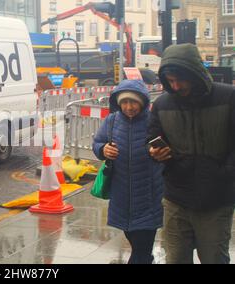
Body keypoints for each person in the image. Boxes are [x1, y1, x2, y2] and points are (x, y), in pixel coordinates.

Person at [148, 43, 235, 264]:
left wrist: (225, 174)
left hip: (216, 199)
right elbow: (151, 138)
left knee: (214, 259)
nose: (175, 86)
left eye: (180, 79)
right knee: (175, 259)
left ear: (195, 73)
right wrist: (154, 152)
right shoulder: (161, 105)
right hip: (176, 198)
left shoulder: (228, 97)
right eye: (170, 81)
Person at [92, 80, 164, 264]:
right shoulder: (112, 121)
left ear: (142, 102)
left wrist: (159, 152)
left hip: (148, 193)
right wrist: (103, 149)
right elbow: (98, 143)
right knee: (135, 242)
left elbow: (168, 146)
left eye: (133, 102)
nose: (129, 107)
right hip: (121, 194)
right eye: (124, 102)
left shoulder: (153, 120)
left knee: (141, 250)